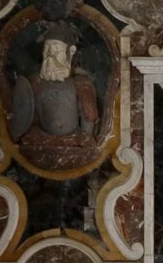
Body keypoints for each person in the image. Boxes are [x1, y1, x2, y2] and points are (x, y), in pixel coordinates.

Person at [8, 30, 104, 167]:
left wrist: (86, 136)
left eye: (56, 50)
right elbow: (28, 116)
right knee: (28, 140)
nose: (50, 55)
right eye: (47, 50)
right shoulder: (35, 83)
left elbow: (87, 116)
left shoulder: (80, 83)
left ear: (70, 52)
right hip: (42, 138)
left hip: (73, 138)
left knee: (85, 142)